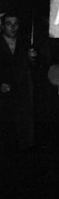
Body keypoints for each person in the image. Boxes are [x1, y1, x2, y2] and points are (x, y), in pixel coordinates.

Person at [0, 10, 38, 151]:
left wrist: (32, 58)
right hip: (2, 99)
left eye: (16, 23)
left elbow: (34, 70)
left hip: (21, 97)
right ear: (2, 26)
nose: (13, 27)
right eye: (9, 23)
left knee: (20, 140)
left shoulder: (26, 43)